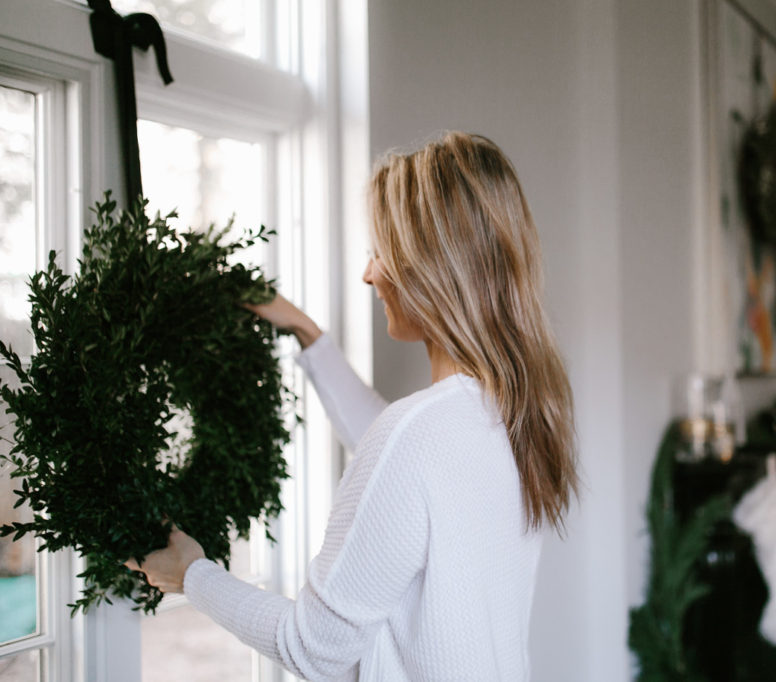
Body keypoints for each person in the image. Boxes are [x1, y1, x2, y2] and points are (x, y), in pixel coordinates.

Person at [128, 132, 578, 681]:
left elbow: (314, 648)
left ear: (432, 266)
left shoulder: (418, 433)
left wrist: (192, 575)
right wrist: (306, 332)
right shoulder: (511, 410)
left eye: (381, 252)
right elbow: (404, 466)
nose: (369, 273)